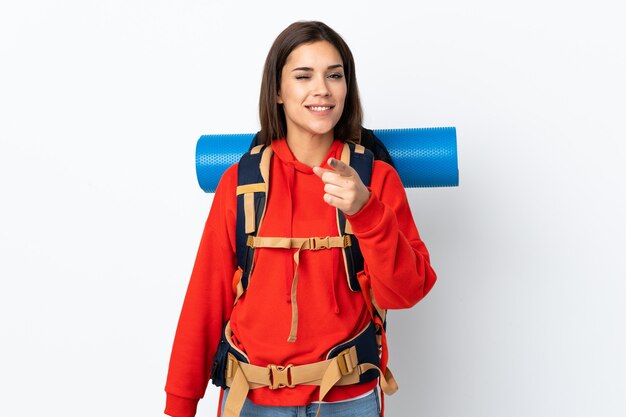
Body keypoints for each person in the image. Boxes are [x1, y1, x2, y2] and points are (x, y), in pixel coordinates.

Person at [164, 21, 437, 417]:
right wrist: (180, 405)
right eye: (303, 75)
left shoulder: (376, 178)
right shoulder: (240, 184)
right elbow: (205, 300)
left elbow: (407, 292)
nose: (322, 89)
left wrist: (366, 211)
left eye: (334, 75)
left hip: (347, 400)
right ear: (277, 90)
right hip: (251, 400)